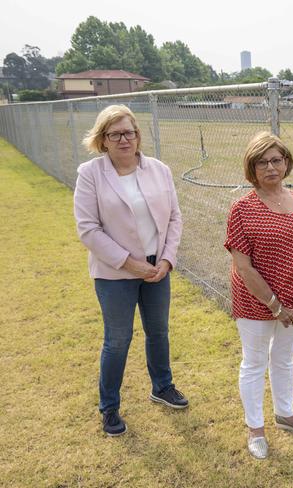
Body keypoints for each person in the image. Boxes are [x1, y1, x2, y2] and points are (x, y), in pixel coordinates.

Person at [74, 105, 188, 437]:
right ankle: (109, 407)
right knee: (117, 340)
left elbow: (174, 218)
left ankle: (162, 386)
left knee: (158, 332)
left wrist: (166, 260)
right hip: (115, 274)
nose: (124, 139)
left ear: (138, 135)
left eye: (130, 132)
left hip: (157, 270)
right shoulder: (91, 174)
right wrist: (130, 263)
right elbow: (88, 229)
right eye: (115, 134)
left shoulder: (159, 169)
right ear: (103, 140)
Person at [224, 131, 293, 459]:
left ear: (287, 162)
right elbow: (243, 266)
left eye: (276, 160)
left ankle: (286, 414)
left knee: (284, 358)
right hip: (256, 301)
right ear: (252, 168)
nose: (270, 167)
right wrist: (275, 306)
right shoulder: (242, 209)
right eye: (261, 162)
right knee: (254, 362)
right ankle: (255, 428)